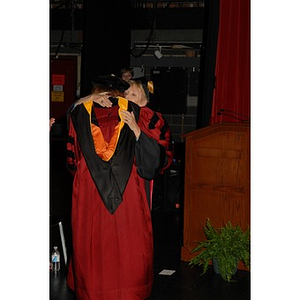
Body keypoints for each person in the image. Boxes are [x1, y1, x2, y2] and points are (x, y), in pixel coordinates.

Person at [66, 74, 173, 300]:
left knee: (107, 249)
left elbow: (71, 162)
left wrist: (136, 131)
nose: (127, 97)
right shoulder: (91, 111)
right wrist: (89, 98)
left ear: (146, 100)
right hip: (118, 195)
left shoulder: (147, 119)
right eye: (127, 93)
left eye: (134, 93)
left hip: (110, 194)